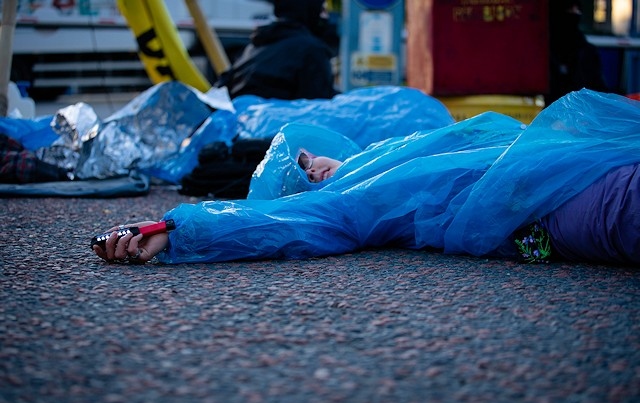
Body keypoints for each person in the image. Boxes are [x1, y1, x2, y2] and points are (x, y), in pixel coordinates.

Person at [92, 89, 640, 266]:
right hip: (561, 202)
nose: (313, 162)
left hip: (571, 161)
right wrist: (178, 230)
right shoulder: (353, 197)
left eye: (306, 156)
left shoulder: (379, 155)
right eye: (302, 173)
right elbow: (295, 221)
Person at [213, 0, 339, 100]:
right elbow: (317, 108)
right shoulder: (311, 51)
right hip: (277, 130)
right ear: (310, 10)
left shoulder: (256, 45)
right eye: (322, 9)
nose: (325, 16)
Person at [546, 0, 609, 105]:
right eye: (570, 9)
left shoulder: (587, 51)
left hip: (581, 114)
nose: (575, 13)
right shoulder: (542, 52)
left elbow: (598, 90)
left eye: (577, 9)